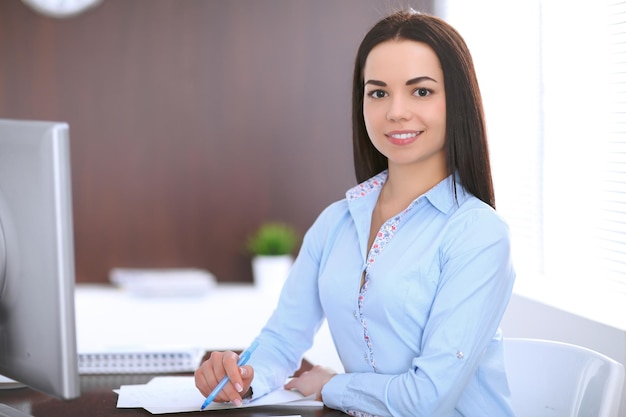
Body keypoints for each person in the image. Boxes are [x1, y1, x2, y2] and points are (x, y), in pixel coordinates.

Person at [195, 9, 516, 417]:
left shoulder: (479, 235)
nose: (396, 111)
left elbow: (427, 400)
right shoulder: (335, 223)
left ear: (457, 100)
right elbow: (281, 342)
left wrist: (333, 386)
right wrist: (239, 377)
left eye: (421, 91)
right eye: (378, 92)